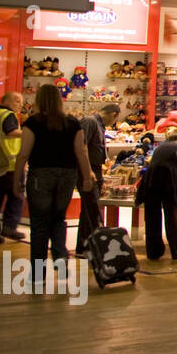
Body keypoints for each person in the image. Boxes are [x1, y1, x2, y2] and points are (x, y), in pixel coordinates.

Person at [12, 84, 95, 275]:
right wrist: (87, 177)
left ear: (39, 100)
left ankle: (38, 272)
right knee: (58, 218)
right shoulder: (72, 123)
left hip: (40, 174)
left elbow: (23, 154)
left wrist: (17, 179)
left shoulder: (33, 123)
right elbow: (81, 152)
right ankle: (60, 258)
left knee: (40, 222)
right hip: (68, 175)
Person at [135, 132, 177, 260]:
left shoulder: (159, 147)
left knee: (152, 216)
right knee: (171, 216)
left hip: (151, 179)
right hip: (169, 179)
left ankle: (154, 252)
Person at [76, 103, 120, 252]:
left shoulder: (97, 124)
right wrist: (88, 171)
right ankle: (85, 247)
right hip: (88, 169)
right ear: (114, 114)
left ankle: (89, 246)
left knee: (92, 209)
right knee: (90, 209)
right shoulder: (90, 122)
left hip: (95, 169)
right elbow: (82, 146)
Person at [0, 90, 25, 242]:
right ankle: (9, 226)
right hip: (11, 165)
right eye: (17, 101)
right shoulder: (8, 115)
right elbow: (10, 132)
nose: (20, 105)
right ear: (7, 101)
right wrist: (28, 134)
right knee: (16, 196)